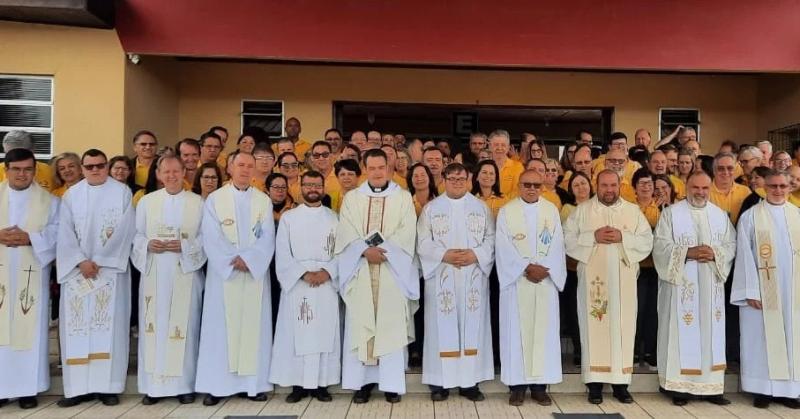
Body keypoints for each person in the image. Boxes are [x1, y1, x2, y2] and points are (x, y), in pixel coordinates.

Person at [563, 170, 653, 404]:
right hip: (594, 286)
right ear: (597, 185)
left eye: (613, 185)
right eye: (604, 185)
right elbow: (567, 239)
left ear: (620, 185)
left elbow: (646, 240)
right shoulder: (582, 211)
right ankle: (594, 384)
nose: (609, 190)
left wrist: (624, 237)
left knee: (623, 329)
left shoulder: (632, 211)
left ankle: (621, 385)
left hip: (624, 285)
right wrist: (592, 236)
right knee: (594, 327)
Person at [335, 149, 417, 403]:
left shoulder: (403, 197)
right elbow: (346, 232)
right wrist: (363, 251)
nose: (377, 172)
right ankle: (362, 383)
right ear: (365, 169)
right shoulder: (352, 199)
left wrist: (384, 252)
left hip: (392, 272)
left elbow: (407, 232)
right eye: (372, 168)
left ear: (388, 167)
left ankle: (391, 384)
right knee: (362, 324)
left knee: (391, 326)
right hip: (361, 270)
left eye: (381, 167)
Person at [56, 149, 135, 407]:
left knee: (109, 328)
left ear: (107, 166)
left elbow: (126, 230)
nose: (95, 170)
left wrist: (100, 260)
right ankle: (78, 389)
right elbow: (64, 233)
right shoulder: (71, 195)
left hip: (109, 272)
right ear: (82, 168)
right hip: (78, 272)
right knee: (77, 329)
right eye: (89, 166)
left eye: (100, 165)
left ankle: (108, 387)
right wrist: (80, 260)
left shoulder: (121, 192)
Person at [195, 152, 276, 406]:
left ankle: (252, 385)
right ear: (229, 168)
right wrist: (231, 260)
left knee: (254, 328)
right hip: (225, 277)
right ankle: (217, 386)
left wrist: (250, 260)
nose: (245, 169)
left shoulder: (263, 200)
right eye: (240, 165)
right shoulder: (215, 200)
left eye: (250, 165)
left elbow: (267, 237)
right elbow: (211, 235)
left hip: (253, 275)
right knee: (220, 331)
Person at [652, 171, 736, 406]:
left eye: (704, 188)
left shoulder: (720, 215)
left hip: (710, 288)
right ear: (686, 187)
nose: (700, 192)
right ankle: (679, 387)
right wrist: (687, 252)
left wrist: (715, 253)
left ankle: (712, 388)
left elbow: (731, 244)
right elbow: (660, 246)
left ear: (710, 188)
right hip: (680, 287)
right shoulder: (671, 214)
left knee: (710, 333)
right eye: (695, 188)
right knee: (680, 332)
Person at [130, 155, 205, 405]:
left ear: (184, 172)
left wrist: (185, 246)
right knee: (154, 326)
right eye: (166, 172)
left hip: (185, 273)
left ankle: (185, 385)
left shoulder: (197, 202)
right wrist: (147, 244)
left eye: (176, 171)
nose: (171, 176)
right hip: (155, 272)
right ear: (158, 174)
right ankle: (154, 387)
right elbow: (136, 235)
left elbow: (206, 237)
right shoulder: (147, 202)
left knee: (185, 327)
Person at [417, 163, 495, 402]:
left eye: (462, 179)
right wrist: (444, 255)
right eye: (452, 179)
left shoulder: (481, 208)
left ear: (469, 180)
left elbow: (491, 239)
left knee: (473, 328)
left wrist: (476, 254)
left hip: (473, 277)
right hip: (442, 276)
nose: (457, 183)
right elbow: (422, 242)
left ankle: (469, 383)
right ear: (444, 179)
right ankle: (439, 383)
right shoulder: (431, 209)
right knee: (440, 329)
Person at [496, 169, 566, 406]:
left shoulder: (551, 211)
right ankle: (516, 387)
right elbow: (502, 247)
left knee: (543, 335)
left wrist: (546, 269)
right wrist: (525, 267)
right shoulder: (507, 212)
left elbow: (557, 245)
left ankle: (539, 387)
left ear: (542, 187)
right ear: (519, 186)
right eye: (527, 184)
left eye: (536, 185)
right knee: (516, 334)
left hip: (545, 282)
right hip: (517, 282)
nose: (532, 189)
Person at [732, 170, 800, 409]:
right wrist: (750, 290)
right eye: (773, 186)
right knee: (761, 338)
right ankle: (763, 390)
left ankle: (790, 391)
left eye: (783, 186)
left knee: (793, 338)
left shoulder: (797, 215)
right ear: (764, 188)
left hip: (793, 292)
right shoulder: (751, 217)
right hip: (763, 290)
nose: (778, 190)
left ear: (790, 187)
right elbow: (744, 255)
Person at [271, 170, 340, 403]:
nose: (313, 189)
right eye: (308, 185)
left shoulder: (334, 218)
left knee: (323, 333)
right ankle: (298, 385)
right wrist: (303, 274)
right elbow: (282, 253)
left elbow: (342, 251)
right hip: (298, 285)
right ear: (301, 187)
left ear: (323, 188)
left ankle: (321, 384)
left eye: (317, 185)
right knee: (297, 334)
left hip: (326, 284)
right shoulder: (289, 218)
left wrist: (327, 272)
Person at [0, 148, 58, 410]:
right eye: (16, 169)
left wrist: (31, 238)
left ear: (35, 171)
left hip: (31, 275)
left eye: (27, 169)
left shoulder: (50, 202)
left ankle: (27, 390)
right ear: (6, 170)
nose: (22, 174)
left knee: (31, 330)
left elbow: (58, 233)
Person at [560, 172, 593, 367]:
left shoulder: (598, 207)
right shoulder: (568, 209)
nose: (581, 187)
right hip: (573, 268)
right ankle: (579, 350)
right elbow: (567, 239)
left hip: (595, 268)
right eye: (576, 185)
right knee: (575, 311)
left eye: (584, 183)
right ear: (571, 190)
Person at [632, 169, 660, 369]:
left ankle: (650, 351)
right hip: (636, 267)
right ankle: (633, 351)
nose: (646, 187)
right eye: (642, 183)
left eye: (649, 183)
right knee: (637, 309)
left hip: (656, 267)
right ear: (634, 187)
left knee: (653, 311)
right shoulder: (629, 209)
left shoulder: (662, 209)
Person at [489, 130, 524, 198]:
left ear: (508, 147)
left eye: (503, 145)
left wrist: (498, 202)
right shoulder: (483, 167)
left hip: (510, 204)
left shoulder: (518, 167)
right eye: (496, 145)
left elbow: (517, 192)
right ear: (490, 146)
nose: (499, 148)